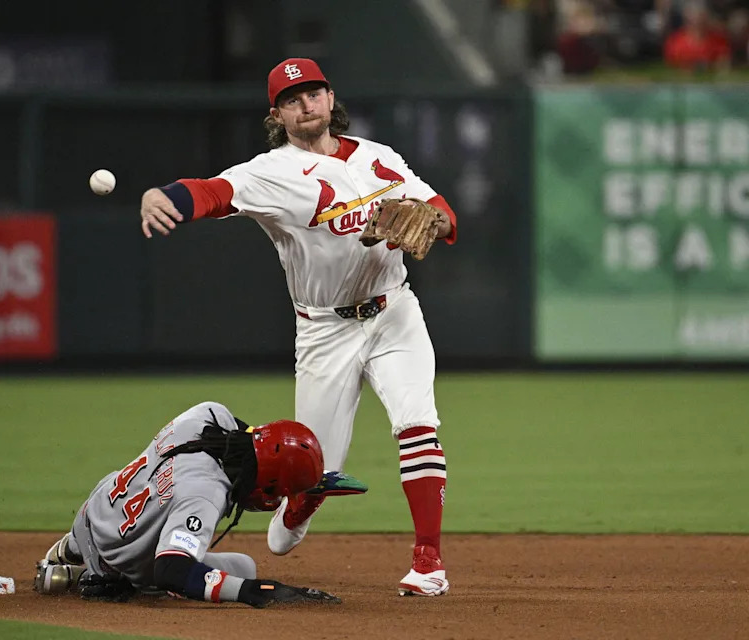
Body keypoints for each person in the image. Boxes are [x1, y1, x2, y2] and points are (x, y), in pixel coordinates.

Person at [138, 58, 458, 597]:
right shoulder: (271, 172)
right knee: (313, 472)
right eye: (292, 99)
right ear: (278, 115)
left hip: (394, 311)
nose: (305, 103)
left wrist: (437, 220)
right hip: (325, 331)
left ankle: (429, 563)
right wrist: (163, 197)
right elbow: (212, 192)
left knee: (417, 424)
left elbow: (441, 211)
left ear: (331, 99)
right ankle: (298, 510)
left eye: (313, 93)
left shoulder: (380, 158)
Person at [33, 401, 360, 607]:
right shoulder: (205, 495)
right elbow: (171, 571)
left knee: (141, 497)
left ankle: (66, 552)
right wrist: (249, 590)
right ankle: (87, 577)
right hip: (118, 561)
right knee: (244, 569)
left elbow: (247, 434)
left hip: (97, 507)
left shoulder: (207, 415)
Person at [664, 1, 732, 70]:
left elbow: (724, 64)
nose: (697, 19)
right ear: (686, 17)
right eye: (693, 15)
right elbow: (670, 68)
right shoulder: (675, 41)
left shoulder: (718, 41)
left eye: (701, 15)